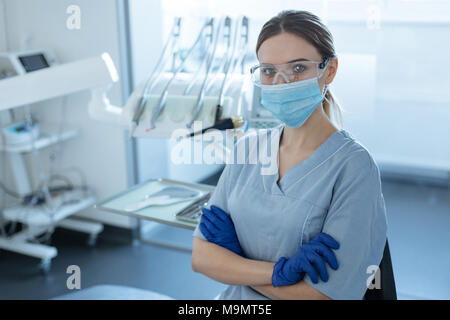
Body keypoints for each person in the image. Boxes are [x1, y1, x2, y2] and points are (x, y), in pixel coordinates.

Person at [191, 10, 387, 300]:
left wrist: (236, 261)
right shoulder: (247, 149)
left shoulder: (354, 168)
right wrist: (278, 272)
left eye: (298, 68)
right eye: (269, 71)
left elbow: (323, 296)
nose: (282, 84)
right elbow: (202, 258)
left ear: (329, 70)